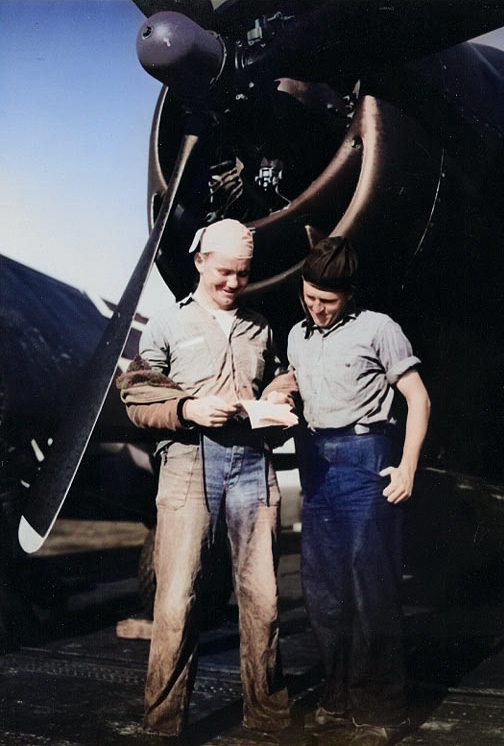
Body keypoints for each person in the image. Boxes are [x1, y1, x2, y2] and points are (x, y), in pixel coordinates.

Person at [117, 219, 294, 739]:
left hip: (252, 467)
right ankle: (163, 726)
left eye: (242, 274)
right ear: (199, 261)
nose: (233, 284)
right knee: (176, 600)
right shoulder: (167, 326)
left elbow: (280, 376)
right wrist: (188, 406)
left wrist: (282, 394)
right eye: (224, 272)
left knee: (263, 600)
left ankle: (267, 719)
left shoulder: (260, 326)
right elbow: (136, 394)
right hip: (189, 466)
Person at [287, 236, 431, 746]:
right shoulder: (297, 336)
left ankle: (381, 710)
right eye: (309, 299)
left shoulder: (379, 329)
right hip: (316, 466)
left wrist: (407, 466)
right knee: (323, 593)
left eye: (327, 301)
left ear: (348, 293)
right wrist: (278, 389)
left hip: (366, 460)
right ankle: (339, 694)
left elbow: (419, 399)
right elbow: (301, 384)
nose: (317, 310)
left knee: (372, 589)